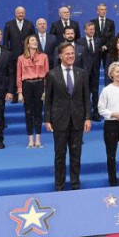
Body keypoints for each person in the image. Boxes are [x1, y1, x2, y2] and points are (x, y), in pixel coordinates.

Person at [44, 42, 91, 191]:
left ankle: (75, 183)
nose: (71, 56)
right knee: (60, 154)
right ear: (60, 56)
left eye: (72, 53)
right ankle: (59, 184)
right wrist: (47, 119)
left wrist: (87, 117)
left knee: (76, 153)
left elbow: (86, 97)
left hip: (77, 119)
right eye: (67, 54)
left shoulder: (81, 73)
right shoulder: (52, 74)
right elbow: (48, 99)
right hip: (59, 120)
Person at [16, 35, 49, 148]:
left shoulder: (44, 56)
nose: (35, 42)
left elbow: (47, 75)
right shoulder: (21, 58)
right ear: (28, 44)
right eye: (32, 40)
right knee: (28, 113)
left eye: (36, 40)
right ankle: (30, 139)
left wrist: (45, 90)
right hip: (27, 86)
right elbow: (19, 75)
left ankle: (38, 138)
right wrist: (20, 92)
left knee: (38, 112)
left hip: (39, 84)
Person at [2, 6, 35, 102]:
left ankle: (27, 95)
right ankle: (15, 96)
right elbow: (5, 41)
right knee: (14, 75)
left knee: (27, 75)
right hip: (13, 55)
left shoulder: (29, 24)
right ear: (15, 13)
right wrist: (7, 53)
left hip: (27, 55)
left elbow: (33, 38)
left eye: (22, 13)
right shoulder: (9, 24)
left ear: (25, 13)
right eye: (19, 13)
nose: (21, 14)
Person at [77, 22, 102, 121]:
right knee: (85, 93)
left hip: (95, 71)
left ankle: (96, 113)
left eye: (93, 29)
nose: (92, 31)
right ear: (85, 30)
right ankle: (86, 114)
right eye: (90, 29)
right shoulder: (79, 41)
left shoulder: (98, 41)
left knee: (95, 92)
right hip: (84, 71)